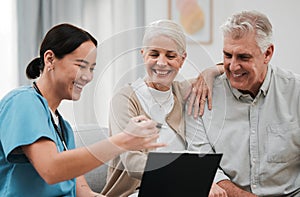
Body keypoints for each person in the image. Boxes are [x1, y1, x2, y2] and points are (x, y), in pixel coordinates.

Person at [0, 23, 166, 197]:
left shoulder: (63, 128)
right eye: (81, 65)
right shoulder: (22, 102)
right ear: (50, 59)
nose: (87, 77)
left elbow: (83, 192)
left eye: (92, 69)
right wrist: (123, 140)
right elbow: (51, 169)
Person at [101, 19, 227, 197]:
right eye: (154, 54)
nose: (161, 63)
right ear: (143, 55)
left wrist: (210, 71)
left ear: (182, 60)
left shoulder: (183, 91)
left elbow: (230, 69)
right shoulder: (124, 99)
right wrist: (191, 179)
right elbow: (132, 162)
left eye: (170, 56)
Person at [188, 10, 300, 196]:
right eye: (227, 55)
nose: (233, 66)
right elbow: (203, 167)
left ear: (267, 53)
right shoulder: (202, 96)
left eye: (243, 57)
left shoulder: (295, 92)